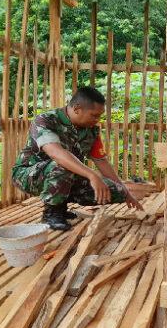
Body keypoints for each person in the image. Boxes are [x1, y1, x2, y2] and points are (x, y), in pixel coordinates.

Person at [12, 87, 142, 231]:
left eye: (100, 116)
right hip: (29, 175)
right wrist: (92, 175)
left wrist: (126, 192)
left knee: (116, 191)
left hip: (66, 176)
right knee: (62, 165)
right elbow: (56, 153)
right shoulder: (45, 120)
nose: (97, 120)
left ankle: (62, 203)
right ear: (77, 108)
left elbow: (101, 161)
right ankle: (52, 213)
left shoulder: (91, 130)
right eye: (94, 115)